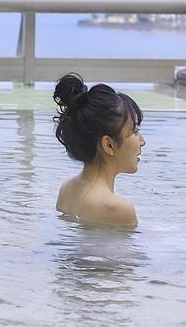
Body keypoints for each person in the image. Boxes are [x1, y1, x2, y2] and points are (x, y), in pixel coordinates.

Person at [53, 73, 146, 226]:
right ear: (109, 145)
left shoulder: (67, 188)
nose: (142, 141)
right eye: (135, 132)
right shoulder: (118, 208)